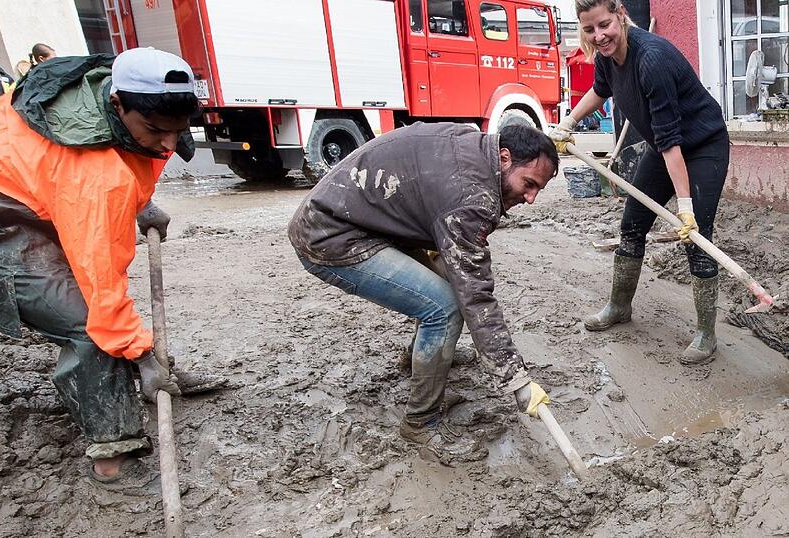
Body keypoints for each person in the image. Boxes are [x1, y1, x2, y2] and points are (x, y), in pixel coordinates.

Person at [0, 48, 224, 494]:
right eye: (157, 131)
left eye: (178, 133)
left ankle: (147, 371)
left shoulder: (112, 93)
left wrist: (142, 202)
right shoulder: (95, 175)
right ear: (119, 105)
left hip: (18, 189)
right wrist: (140, 354)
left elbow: (124, 158)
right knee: (89, 322)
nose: (168, 145)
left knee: (102, 315)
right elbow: (102, 283)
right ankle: (114, 458)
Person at [288, 123, 559, 464]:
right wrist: (516, 378)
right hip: (331, 236)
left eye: (539, 190)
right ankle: (421, 422)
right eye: (529, 184)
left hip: (360, 217)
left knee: (448, 276)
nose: (531, 199)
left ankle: (419, 361)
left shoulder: (475, 145)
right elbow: (476, 295)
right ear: (504, 158)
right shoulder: (471, 197)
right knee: (445, 308)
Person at [550, 0, 729, 365]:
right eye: (589, 30)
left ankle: (706, 334)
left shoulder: (652, 59)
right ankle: (619, 306)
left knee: (695, 235)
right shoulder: (605, 55)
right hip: (665, 147)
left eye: (604, 25)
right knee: (632, 223)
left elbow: (670, 141)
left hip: (702, 145)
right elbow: (601, 90)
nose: (599, 36)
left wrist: (685, 207)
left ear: (620, 14)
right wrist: (567, 123)